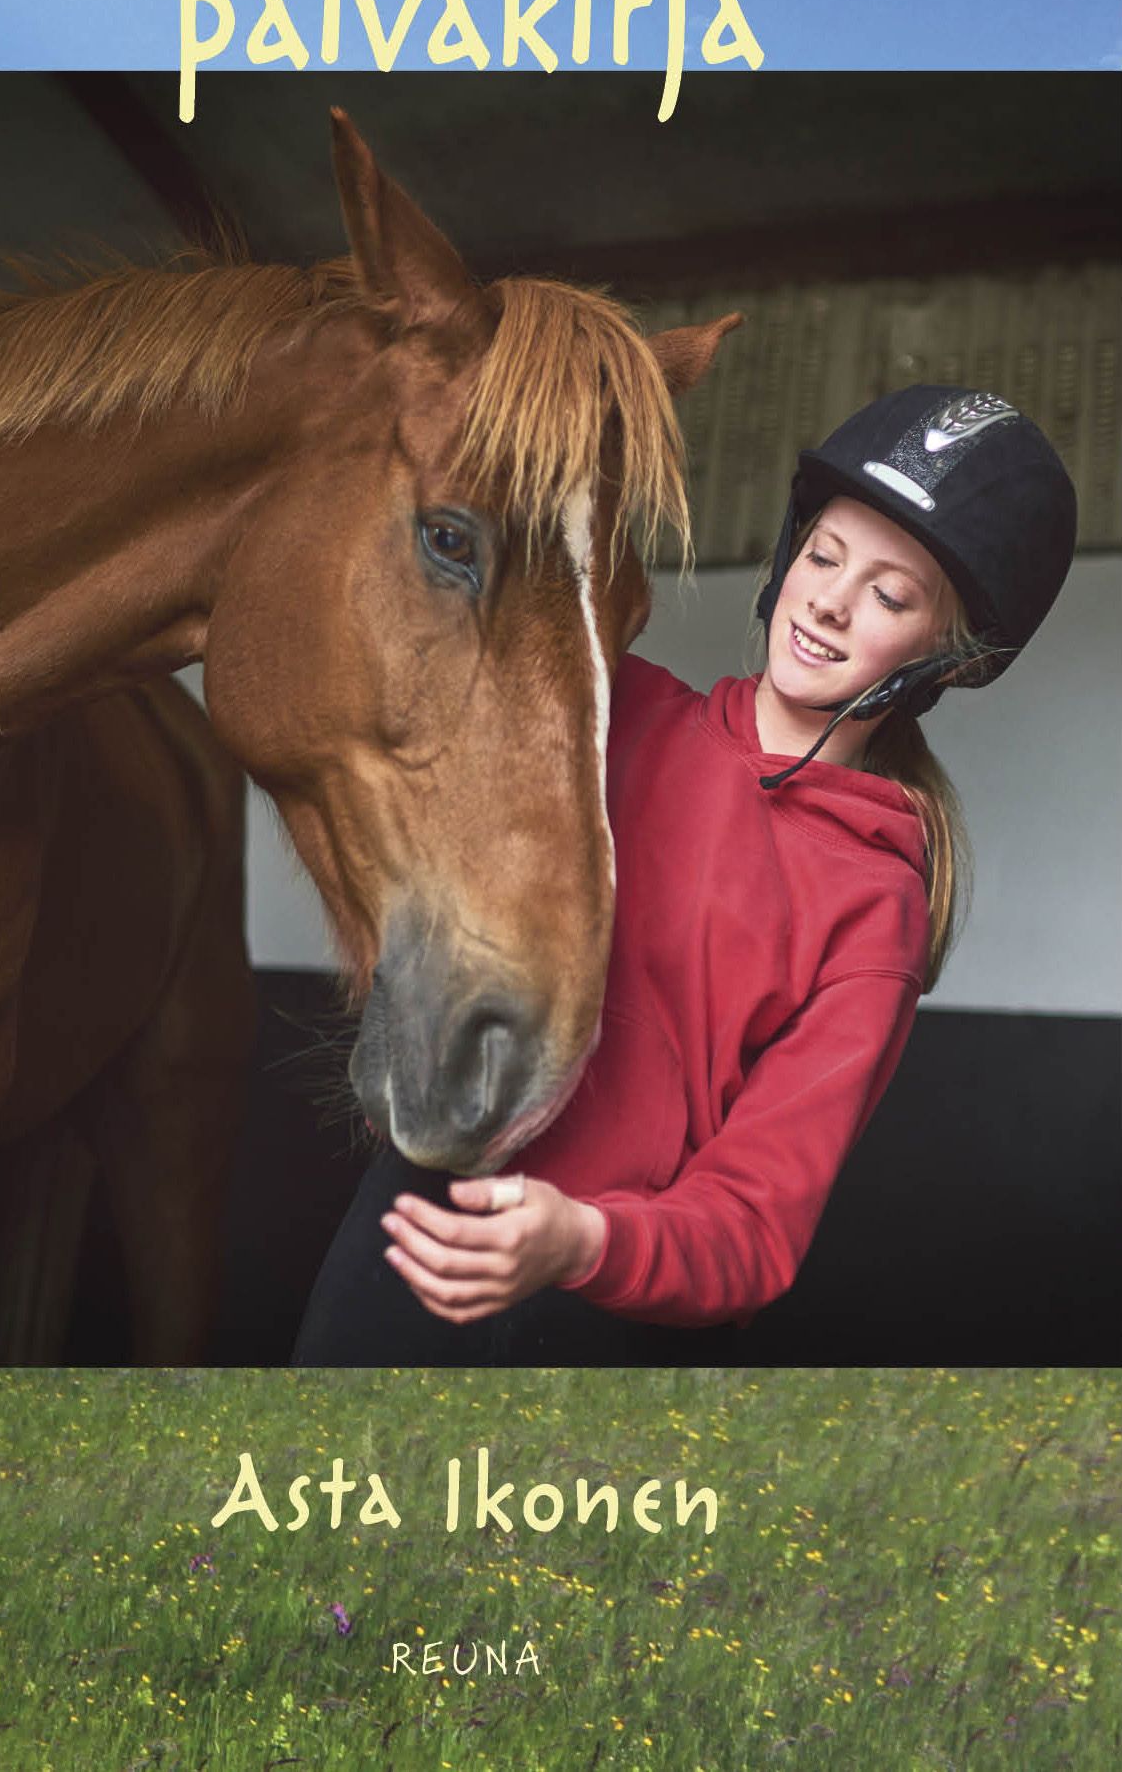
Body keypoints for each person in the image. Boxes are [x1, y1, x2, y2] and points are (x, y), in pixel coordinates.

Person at [291, 386, 1077, 1365]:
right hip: (413, 1226)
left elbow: (753, 1228)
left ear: (948, 662)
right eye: (823, 556)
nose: (829, 601)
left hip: (598, 1306)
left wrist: (583, 1240)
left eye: (888, 596)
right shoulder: (610, 709)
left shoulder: (877, 906)